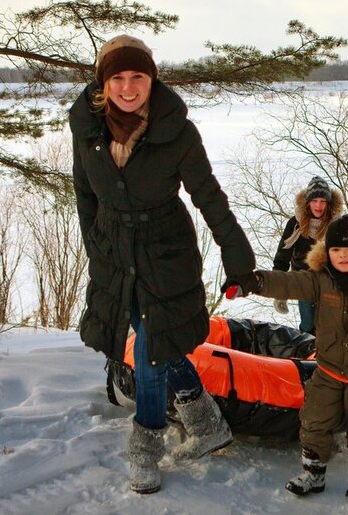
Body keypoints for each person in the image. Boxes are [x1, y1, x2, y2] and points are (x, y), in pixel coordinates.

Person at [69, 35, 256, 494]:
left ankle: (145, 447)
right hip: (115, 253)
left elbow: (208, 196)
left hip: (164, 252)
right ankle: (204, 419)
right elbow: (85, 195)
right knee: (160, 343)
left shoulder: (176, 131)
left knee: (151, 352)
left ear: (152, 79)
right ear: (103, 82)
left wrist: (237, 257)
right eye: (118, 77)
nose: (128, 87)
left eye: (138, 77)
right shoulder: (87, 128)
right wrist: (96, 249)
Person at [224, 214, 348, 501]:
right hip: (328, 372)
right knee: (314, 421)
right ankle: (314, 472)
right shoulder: (320, 281)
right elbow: (287, 283)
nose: (343, 256)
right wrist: (253, 282)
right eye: (336, 250)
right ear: (329, 253)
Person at [272, 176, 343, 334]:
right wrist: (279, 291)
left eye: (323, 201)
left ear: (329, 203)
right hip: (304, 281)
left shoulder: (338, 225)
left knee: (331, 325)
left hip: (330, 281)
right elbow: (282, 258)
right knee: (309, 324)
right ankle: (308, 352)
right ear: (308, 202)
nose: (318, 205)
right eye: (314, 200)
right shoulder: (295, 224)